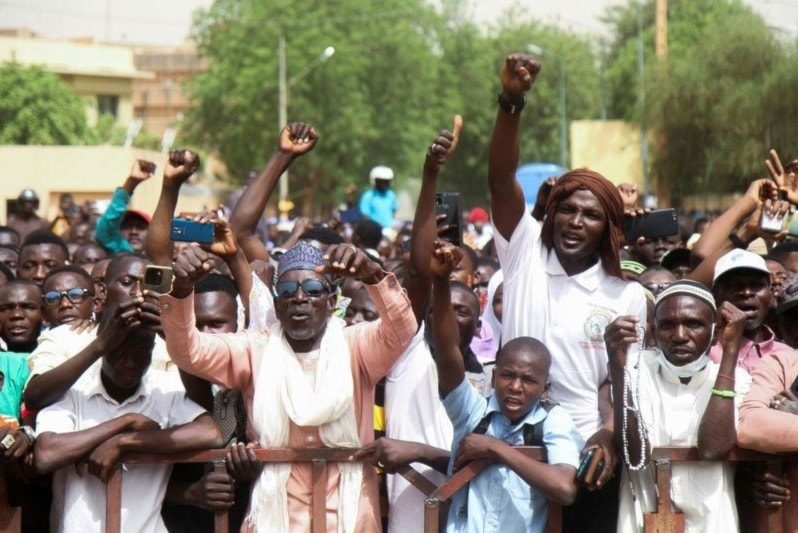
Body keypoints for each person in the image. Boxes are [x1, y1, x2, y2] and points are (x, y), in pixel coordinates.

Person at [487, 52, 646, 529]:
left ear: (609, 228)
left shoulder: (625, 295)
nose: (576, 222)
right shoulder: (523, 253)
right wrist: (512, 102)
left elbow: (620, 384)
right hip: (510, 447)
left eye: (591, 214)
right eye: (567, 210)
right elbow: (500, 180)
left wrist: (609, 434)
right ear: (551, 213)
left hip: (584, 455)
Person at [160, 239, 417, 531]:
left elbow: (403, 329)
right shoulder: (254, 349)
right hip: (275, 517)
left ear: (331, 302)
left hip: (351, 516)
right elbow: (187, 352)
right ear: (276, 304)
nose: (299, 298)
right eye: (286, 291)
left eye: (313, 290)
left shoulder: (357, 345)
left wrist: (372, 273)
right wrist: (181, 289)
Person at [429, 242, 581, 533]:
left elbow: (564, 488)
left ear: (545, 387)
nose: (515, 387)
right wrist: (440, 281)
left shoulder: (553, 420)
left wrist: (497, 449)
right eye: (507, 375)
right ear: (495, 374)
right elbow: (448, 352)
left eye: (528, 380)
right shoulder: (473, 411)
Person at [33, 316, 223, 532]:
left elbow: (210, 433)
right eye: (121, 353)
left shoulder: (164, 388)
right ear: (104, 346)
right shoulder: (75, 388)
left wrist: (124, 442)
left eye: (141, 353)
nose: (130, 363)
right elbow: (46, 454)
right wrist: (125, 422)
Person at [605, 280, 750, 532]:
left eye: (693, 324)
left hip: (711, 522)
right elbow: (634, 452)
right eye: (668, 325)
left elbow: (713, 449)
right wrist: (618, 368)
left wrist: (730, 353)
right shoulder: (638, 372)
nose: (680, 336)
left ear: (715, 332)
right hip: (642, 521)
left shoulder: (737, 377)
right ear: (652, 332)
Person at [23, 253, 171, 411]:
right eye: (127, 282)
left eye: (147, 285)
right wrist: (101, 344)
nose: (138, 292)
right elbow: (35, 397)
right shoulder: (64, 337)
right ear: (103, 290)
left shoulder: (168, 343)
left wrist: (173, 338)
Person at [708, 249, 789, 372]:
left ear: (770, 292)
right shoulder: (702, 352)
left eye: (757, 285)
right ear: (715, 295)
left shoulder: (788, 356)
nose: (746, 292)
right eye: (735, 286)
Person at [95, 159, 157, 254]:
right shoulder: (119, 249)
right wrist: (131, 182)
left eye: (140, 227)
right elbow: (108, 224)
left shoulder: (159, 256)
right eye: (127, 226)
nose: (134, 232)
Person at [0, 280, 42, 354]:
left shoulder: (62, 358)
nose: (17, 315)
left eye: (28, 307)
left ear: (44, 314)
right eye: (5, 309)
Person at [359, 166, 398, 231]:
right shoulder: (368, 195)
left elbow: (393, 211)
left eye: (385, 181)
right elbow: (364, 215)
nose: (383, 184)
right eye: (380, 181)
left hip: (388, 230)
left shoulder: (391, 195)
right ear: (375, 181)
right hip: (373, 231)